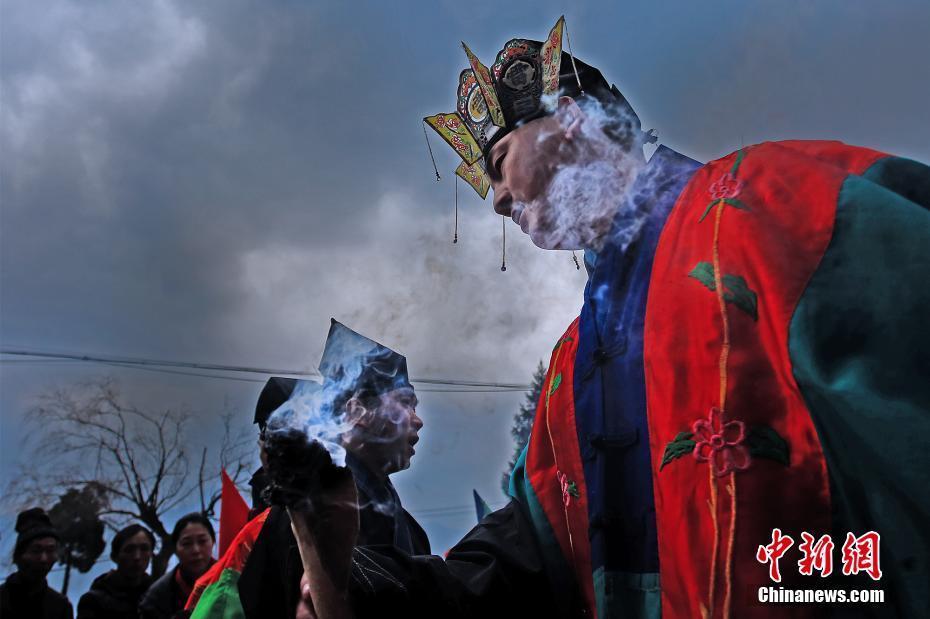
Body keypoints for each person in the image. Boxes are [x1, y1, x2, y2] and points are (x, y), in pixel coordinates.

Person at [303, 17, 929, 619]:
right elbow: (523, 563)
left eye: (496, 162)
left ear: (570, 118)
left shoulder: (767, 203)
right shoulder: (571, 369)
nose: (494, 200)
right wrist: (355, 570)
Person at [186, 319, 428, 618]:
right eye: (406, 403)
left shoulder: (410, 528)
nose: (418, 420)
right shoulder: (299, 516)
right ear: (356, 412)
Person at [138, 514, 216, 619]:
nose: (196, 550)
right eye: (187, 544)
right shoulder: (156, 598)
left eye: (202, 541)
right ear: (175, 549)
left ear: (213, 542)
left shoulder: (233, 577)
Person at [0, 508, 72, 619]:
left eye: (50, 550)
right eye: (36, 550)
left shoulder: (60, 606)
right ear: (18, 557)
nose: (43, 559)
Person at [77, 524, 155, 619]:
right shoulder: (94, 601)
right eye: (129, 550)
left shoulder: (160, 596)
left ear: (151, 554)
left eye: (144, 549)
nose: (137, 557)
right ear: (115, 557)